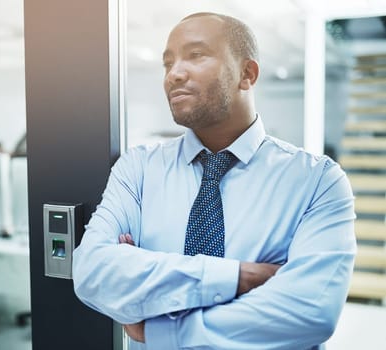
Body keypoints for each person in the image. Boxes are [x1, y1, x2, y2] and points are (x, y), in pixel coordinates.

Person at [72, 12, 356, 350]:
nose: (174, 74)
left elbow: (310, 311)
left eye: (195, 55)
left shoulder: (317, 181)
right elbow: (92, 271)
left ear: (247, 74)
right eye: (168, 63)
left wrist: (156, 328)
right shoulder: (139, 169)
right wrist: (240, 277)